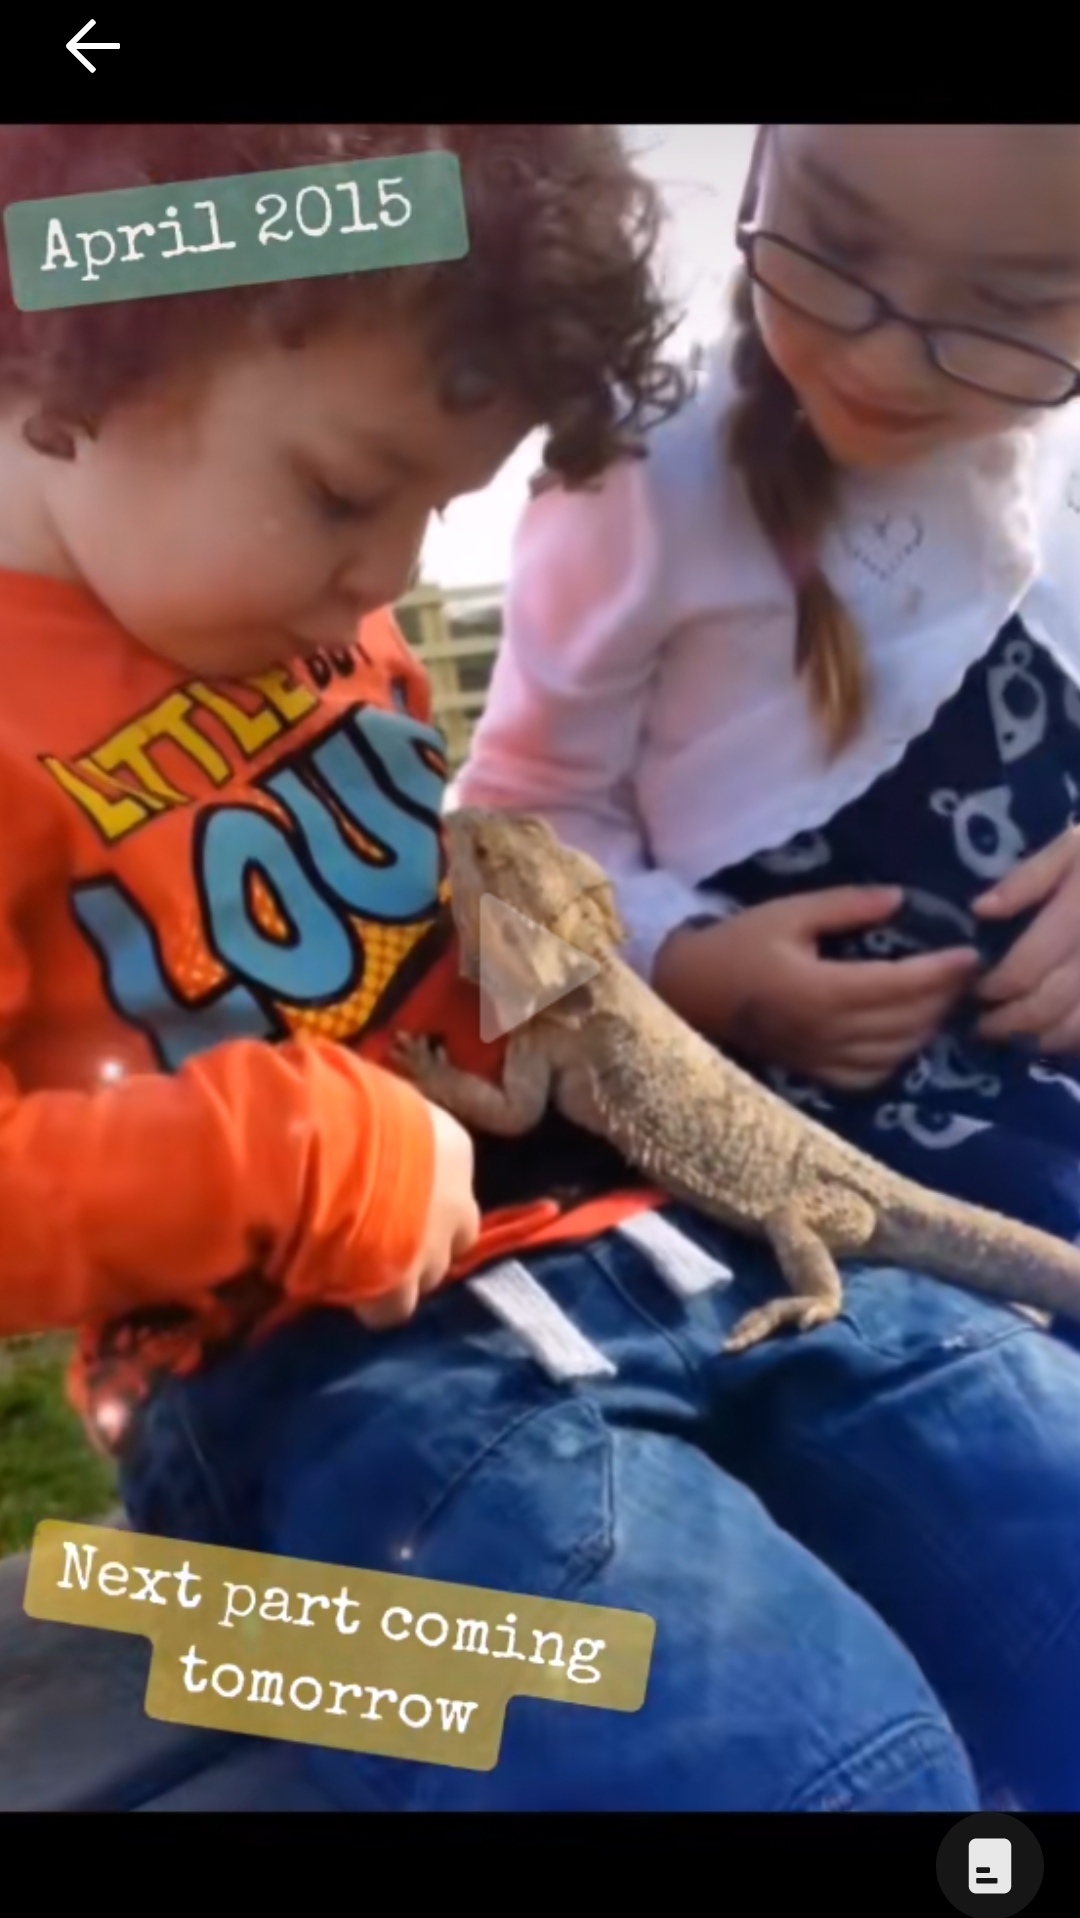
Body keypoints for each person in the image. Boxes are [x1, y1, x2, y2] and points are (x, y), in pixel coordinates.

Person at [0, 121, 1075, 1816]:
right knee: (792, 1768)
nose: (397, 578)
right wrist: (299, 1151)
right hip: (310, 1381)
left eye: (439, 504)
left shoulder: (319, 616)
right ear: (55, 355)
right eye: (352, 490)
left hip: (662, 1243)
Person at [457, 123, 1080, 1349]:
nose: (890, 355)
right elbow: (517, 813)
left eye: (1008, 303)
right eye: (838, 246)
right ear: (758, 170)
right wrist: (688, 966)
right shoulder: (639, 460)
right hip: (752, 1100)